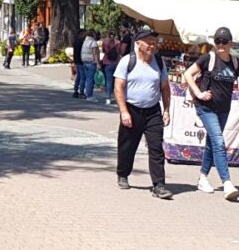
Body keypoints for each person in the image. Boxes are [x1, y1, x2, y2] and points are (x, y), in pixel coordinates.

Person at [114, 29, 173, 199]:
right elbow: (118, 87)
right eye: (148, 41)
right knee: (127, 145)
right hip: (132, 109)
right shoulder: (128, 61)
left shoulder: (159, 62)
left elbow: (165, 88)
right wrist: (124, 111)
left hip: (153, 110)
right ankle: (123, 174)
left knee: (156, 147)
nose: (152, 45)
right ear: (138, 43)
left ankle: (159, 185)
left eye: (154, 41)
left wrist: (167, 110)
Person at [183, 27, 239, 201]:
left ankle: (202, 177)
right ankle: (227, 183)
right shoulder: (209, 58)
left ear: (230, 43)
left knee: (211, 142)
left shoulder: (236, 62)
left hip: (223, 108)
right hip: (206, 108)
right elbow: (187, 74)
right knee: (219, 141)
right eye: (217, 42)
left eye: (224, 41)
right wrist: (199, 94)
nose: (220, 45)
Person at [80, 30, 101, 102]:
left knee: (87, 78)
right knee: (90, 79)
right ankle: (89, 95)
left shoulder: (85, 42)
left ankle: (87, 92)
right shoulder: (93, 42)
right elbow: (95, 53)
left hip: (85, 61)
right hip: (91, 62)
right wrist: (98, 63)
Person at [101, 31, 120, 105]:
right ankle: (116, 97)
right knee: (116, 81)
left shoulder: (105, 42)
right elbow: (119, 51)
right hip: (116, 62)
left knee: (108, 80)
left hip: (107, 62)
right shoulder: (117, 42)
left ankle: (108, 97)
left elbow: (103, 51)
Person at [72, 29, 86, 99]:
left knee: (78, 76)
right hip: (81, 60)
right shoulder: (82, 42)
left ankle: (75, 90)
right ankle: (81, 92)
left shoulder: (75, 41)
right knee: (83, 76)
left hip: (77, 60)